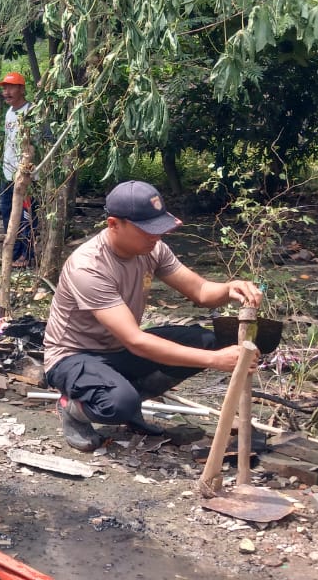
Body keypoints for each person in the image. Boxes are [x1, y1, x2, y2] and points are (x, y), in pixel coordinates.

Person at [42, 180, 264, 452]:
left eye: (158, 228)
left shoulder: (153, 249)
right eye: (147, 230)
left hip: (119, 349)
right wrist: (216, 361)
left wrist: (230, 288)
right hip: (73, 356)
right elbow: (136, 341)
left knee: (207, 340)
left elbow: (202, 292)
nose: (156, 236)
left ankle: (128, 399)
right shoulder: (88, 267)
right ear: (114, 224)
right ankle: (74, 408)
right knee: (118, 404)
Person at [0, 71, 35, 268]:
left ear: (21, 89)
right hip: (8, 173)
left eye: (11, 87)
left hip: (26, 176)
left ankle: (27, 255)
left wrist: (29, 171)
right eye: (4, 88)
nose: (6, 91)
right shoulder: (10, 113)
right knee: (7, 212)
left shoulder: (32, 112)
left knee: (26, 217)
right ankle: (12, 252)